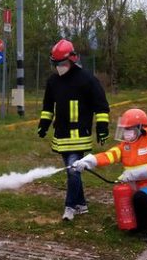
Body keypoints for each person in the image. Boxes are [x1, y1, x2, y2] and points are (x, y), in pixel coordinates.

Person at [73, 108, 147, 243]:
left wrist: (132, 174)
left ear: (140, 128)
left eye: (129, 129)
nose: (126, 133)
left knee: (140, 198)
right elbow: (109, 155)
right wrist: (89, 161)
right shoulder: (126, 145)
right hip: (137, 186)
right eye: (124, 129)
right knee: (133, 204)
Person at [38, 39, 110, 222]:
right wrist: (44, 125)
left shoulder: (87, 79)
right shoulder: (53, 81)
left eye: (61, 63)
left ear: (71, 59)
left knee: (73, 170)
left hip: (80, 136)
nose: (59, 67)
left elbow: (101, 105)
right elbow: (48, 107)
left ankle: (69, 207)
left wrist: (102, 127)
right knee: (74, 171)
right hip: (61, 136)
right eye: (56, 64)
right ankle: (82, 204)